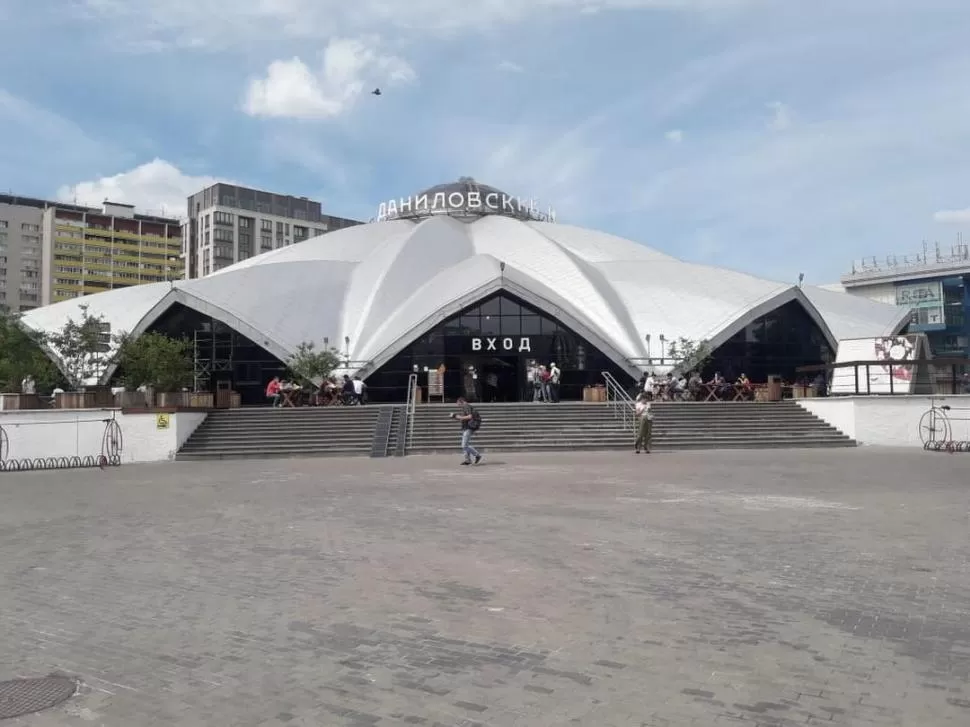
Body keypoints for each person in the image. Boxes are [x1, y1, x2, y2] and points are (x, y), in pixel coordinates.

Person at [451, 396, 482, 465]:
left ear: (461, 401)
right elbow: (465, 418)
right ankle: (468, 460)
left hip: (469, 427)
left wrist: (459, 417)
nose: (457, 405)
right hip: (467, 427)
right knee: (466, 444)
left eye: (458, 403)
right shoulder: (466, 407)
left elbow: (469, 416)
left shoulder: (466, 406)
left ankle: (477, 455)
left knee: (464, 445)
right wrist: (456, 417)